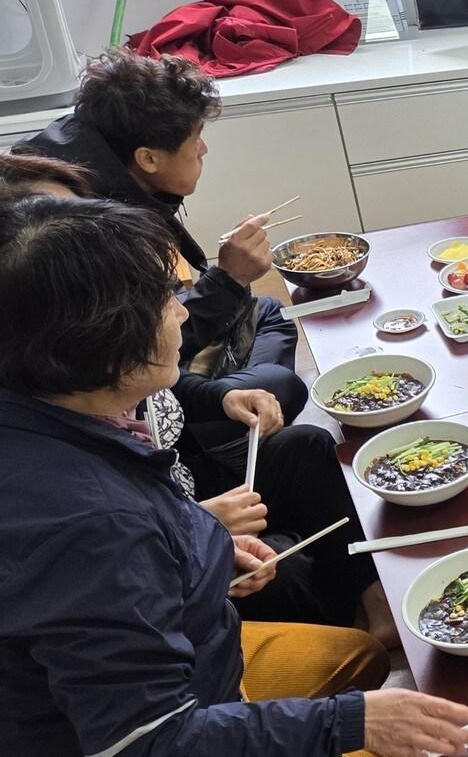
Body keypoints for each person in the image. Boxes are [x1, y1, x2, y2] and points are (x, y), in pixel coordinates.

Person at [0, 196, 468, 756]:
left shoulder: (51, 413)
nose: (183, 311)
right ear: (104, 341)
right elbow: (146, 743)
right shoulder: (94, 523)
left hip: (201, 654)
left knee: (363, 657)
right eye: (165, 301)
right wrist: (349, 724)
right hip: (163, 721)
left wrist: (200, 553)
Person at [0, 166, 397, 642]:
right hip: (176, 553)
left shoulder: (91, 381)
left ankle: (376, 606)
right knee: (281, 573)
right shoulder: (81, 499)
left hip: (183, 505)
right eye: (165, 301)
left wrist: (225, 395)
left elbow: (170, 391)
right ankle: (336, 642)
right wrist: (200, 524)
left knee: (305, 445)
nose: (183, 310)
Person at [17, 50, 308, 442]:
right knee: (279, 383)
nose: (203, 150)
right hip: (119, 394)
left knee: (269, 312)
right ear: (149, 158)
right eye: (196, 139)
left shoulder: (85, 147)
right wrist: (229, 279)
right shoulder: (87, 233)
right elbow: (142, 351)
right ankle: (209, 448)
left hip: (122, 366)